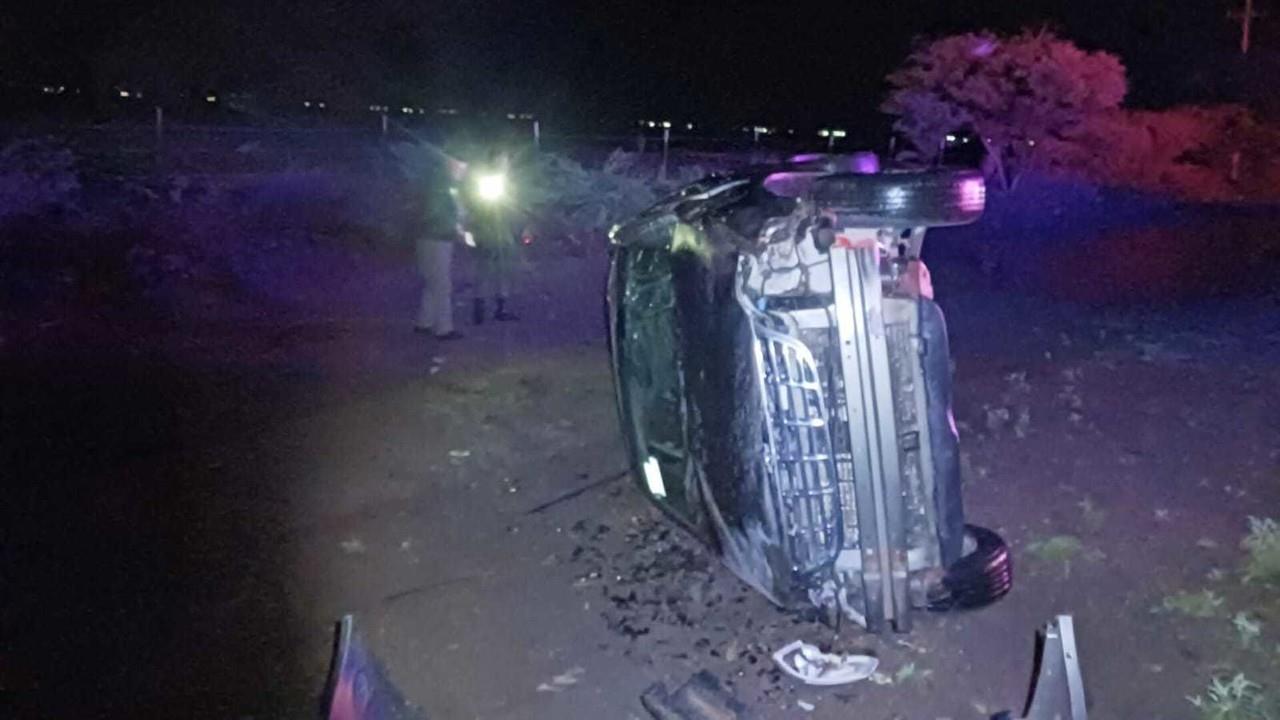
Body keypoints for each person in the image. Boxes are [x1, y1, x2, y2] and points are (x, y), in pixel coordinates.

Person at [414, 154, 468, 340]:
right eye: (461, 167)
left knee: (433, 282)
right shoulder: (443, 186)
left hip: (431, 237)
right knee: (442, 284)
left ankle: (424, 322)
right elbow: (438, 213)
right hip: (436, 239)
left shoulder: (442, 184)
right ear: (451, 164)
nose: (464, 172)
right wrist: (455, 228)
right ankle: (444, 328)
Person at [463, 149, 520, 325]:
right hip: (488, 231)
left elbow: (514, 207)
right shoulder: (486, 181)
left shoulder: (508, 182)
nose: (504, 164)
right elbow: (477, 206)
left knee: (502, 270)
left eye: (506, 160)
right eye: (501, 160)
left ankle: (500, 307)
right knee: (485, 269)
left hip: (503, 231)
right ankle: (479, 307)